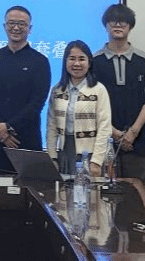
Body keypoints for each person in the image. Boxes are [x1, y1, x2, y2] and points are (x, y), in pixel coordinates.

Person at [0, 5, 51, 174]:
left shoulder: (40, 61)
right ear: (4, 26)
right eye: (11, 23)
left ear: (30, 28)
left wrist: (10, 127)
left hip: (27, 138)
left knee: (29, 187)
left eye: (22, 24)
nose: (16, 28)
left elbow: (37, 102)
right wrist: (1, 130)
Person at [92, 4, 145, 183]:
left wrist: (133, 132)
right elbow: (91, 102)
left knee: (141, 195)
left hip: (139, 142)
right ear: (106, 25)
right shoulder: (94, 61)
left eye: (123, 21)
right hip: (103, 142)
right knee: (105, 193)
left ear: (130, 26)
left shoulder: (144, 61)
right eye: (113, 21)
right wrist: (114, 133)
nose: (118, 25)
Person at [46, 40, 112, 176]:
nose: (76, 64)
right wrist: (52, 157)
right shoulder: (57, 90)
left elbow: (105, 127)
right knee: (64, 188)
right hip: (64, 153)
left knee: (89, 189)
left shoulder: (99, 89)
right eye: (72, 59)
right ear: (65, 62)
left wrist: (96, 161)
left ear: (89, 63)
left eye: (81, 59)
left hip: (90, 153)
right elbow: (51, 127)